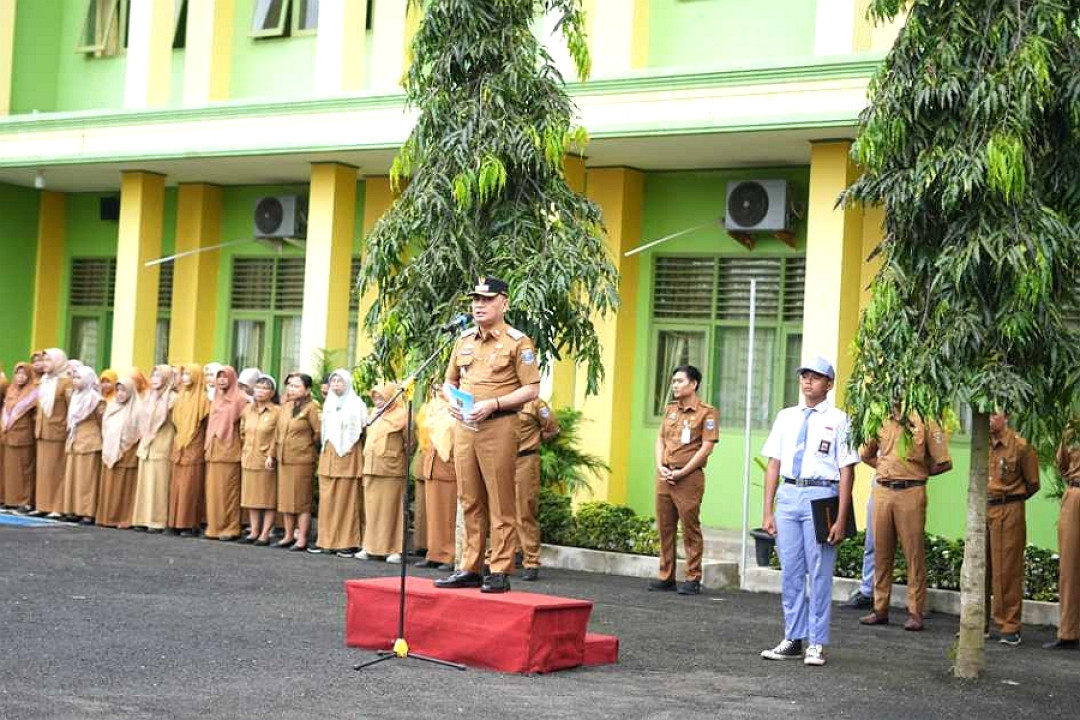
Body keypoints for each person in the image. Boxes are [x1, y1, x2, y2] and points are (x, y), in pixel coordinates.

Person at [435, 276, 540, 594]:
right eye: (476, 300)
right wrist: (452, 402)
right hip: (465, 426)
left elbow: (532, 388)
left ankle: (499, 569)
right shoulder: (463, 340)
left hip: (499, 425)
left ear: (504, 303)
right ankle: (470, 566)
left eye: (487, 299)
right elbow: (448, 382)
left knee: (500, 498)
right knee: (469, 498)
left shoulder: (517, 342)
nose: (479, 305)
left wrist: (493, 403)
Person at [760, 356, 859, 667]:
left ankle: (816, 642)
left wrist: (841, 518)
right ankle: (793, 637)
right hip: (789, 494)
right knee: (790, 570)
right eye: (804, 376)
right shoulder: (786, 416)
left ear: (828, 384)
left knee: (819, 572)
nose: (807, 381)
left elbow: (847, 470)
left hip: (821, 494)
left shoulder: (841, 420)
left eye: (815, 377)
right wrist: (768, 510)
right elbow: (773, 464)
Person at [858, 412, 952, 631]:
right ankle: (880, 609)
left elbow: (944, 462)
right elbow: (866, 454)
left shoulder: (926, 420)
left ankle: (915, 612)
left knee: (913, 554)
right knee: (881, 551)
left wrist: (917, 472)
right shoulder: (880, 419)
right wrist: (884, 468)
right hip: (883, 490)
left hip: (911, 491)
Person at [650, 366, 718, 595]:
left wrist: (683, 472)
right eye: (673, 382)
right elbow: (660, 439)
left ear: (694, 384)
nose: (675, 385)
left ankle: (693, 577)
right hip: (665, 475)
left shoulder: (707, 413)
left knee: (690, 527)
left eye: (679, 381)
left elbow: (706, 448)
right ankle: (666, 575)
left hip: (688, 478)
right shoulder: (670, 410)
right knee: (664, 527)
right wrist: (660, 466)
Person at [986, 412, 1039, 646]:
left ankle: (1010, 626)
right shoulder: (983, 444)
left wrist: (1011, 501)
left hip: (1009, 508)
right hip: (983, 508)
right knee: (980, 568)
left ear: (1005, 416)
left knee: (1007, 570)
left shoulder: (1020, 446)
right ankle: (979, 623)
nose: (988, 419)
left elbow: (1033, 484)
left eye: (993, 414)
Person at [314, 369, 367, 555]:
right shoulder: (329, 403)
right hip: (329, 455)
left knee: (346, 501)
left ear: (348, 383)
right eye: (333, 381)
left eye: (340, 381)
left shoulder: (356, 403)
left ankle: (347, 542)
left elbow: (363, 428)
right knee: (328, 500)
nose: (336, 384)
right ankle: (326, 541)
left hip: (348, 455)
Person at [358, 382, 408, 563]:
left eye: (382, 397)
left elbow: (410, 442)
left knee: (391, 510)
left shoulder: (403, 415)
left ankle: (394, 549)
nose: (378, 401)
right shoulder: (374, 413)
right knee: (372, 510)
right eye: (376, 397)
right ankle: (370, 547)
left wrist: (394, 455)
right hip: (371, 467)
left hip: (391, 469)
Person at [512, 398, 560, 581]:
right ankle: (512, 553)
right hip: (502, 460)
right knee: (501, 510)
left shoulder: (536, 405)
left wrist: (533, 439)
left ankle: (531, 561)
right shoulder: (501, 398)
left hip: (526, 459)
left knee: (525, 510)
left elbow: (552, 428)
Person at [414, 387, 457, 571]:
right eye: (436, 385)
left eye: (443, 385)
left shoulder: (457, 408)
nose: (439, 389)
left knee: (448, 514)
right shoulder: (431, 407)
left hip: (449, 465)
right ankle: (434, 553)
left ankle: (449, 555)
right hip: (432, 463)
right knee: (433, 513)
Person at [204, 366, 248, 541]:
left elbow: (244, 425)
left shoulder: (241, 399)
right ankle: (214, 526)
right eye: (219, 377)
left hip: (229, 449)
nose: (221, 380)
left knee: (228, 492)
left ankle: (230, 527)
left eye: (225, 377)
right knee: (213, 492)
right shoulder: (216, 397)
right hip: (213, 449)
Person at [277, 372, 320, 551]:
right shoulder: (286, 407)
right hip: (284, 458)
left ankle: (301, 537)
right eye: (290, 385)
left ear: (307, 389)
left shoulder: (312, 408)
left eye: (296, 386)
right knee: (286, 500)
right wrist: (273, 455)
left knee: (301, 501)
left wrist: (307, 448)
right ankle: (288, 535)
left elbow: (318, 433)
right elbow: (278, 433)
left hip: (302, 459)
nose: (291, 389)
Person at [132, 365, 176, 533]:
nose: (155, 380)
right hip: (146, 444)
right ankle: (142, 518)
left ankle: (157, 520)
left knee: (159, 483)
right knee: (145, 482)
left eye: (159, 376)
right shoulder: (149, 397)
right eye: (153, 376)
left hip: (163, 442)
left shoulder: (172, 398)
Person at [1047, 426, 1080, 650]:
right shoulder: (1073, 429)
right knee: (1069, 566)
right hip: (1075, 495)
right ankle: (1068, 632)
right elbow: (1061, 463)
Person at [168, 364, 210, 536]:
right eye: (183, 374)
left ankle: (189, 523)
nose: (185, 377)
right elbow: (174, 421)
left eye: (188, 374)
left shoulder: (204, 399)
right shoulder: (180, 397)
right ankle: (174, 522)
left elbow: (206, 424)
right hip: (180, 444)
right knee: (177, 485)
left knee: (190, 486)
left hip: (194, 445)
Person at [239, 375, 281, 545]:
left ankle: (265, 533)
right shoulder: (248, 409)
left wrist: (271, 454)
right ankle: (254, 530)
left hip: (266, 460)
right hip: (249, 456)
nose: (260, 391)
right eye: (258, 387)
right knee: (251, 498)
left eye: (265, 388)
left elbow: (277, 436)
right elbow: (242, 431)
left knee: (267, 498)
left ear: (272, 392)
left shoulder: (277, 412)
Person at [61, 364, 105, 524]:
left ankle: (87, 511)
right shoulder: (74, 396)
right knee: (74, 476)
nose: (75, 381)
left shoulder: (96, 399)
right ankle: (73, 509)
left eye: (79, 377)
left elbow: (101, 421)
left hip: (89, 440)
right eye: (74, 377)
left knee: (87, 479)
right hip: (75, 438)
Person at [97, 376, 142, 528]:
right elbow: (105, 429)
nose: (120, 394)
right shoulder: (111, 407)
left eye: (124, 390)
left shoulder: (137, 409)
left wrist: (125, 447)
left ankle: (122, 518)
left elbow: (137, 432)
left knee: (123, 488)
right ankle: (106, 517)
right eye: (118, 390)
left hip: (127, 453)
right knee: (110, 486)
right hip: (110, 451)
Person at [34, 348, 72, 518]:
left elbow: (72, 408)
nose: (45, 364)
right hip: (42, 431)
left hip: (57, 432)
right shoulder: (44, 381)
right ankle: (42, 504)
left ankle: (57, 506)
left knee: (56, 470)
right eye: (44, 360)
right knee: (43, 471)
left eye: (48, 360)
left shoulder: (66, 382)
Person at [2, 362, 38, 512]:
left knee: (24, 470)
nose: (20, 377)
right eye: (18, 373)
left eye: (24, 374)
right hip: (8, 434)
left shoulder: (33, 391)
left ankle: (24, 501)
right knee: (10, 470)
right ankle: (10, 499)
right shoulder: (11, 389)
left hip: (24, 435)